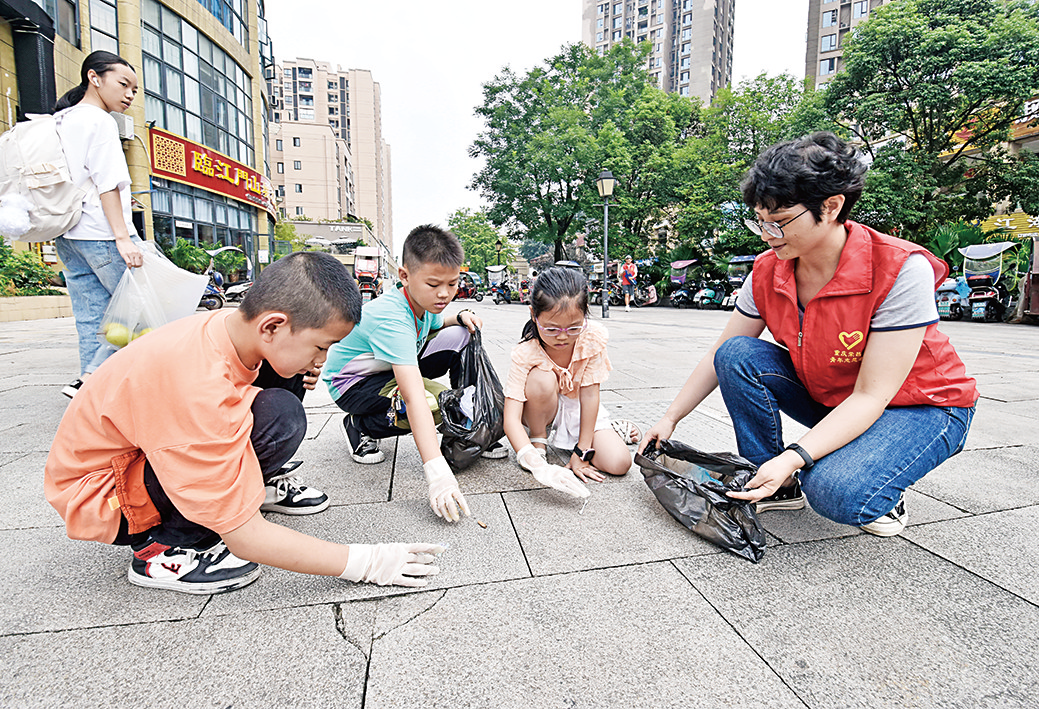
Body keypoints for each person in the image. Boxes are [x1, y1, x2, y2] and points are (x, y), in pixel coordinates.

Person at [641, 132, 978, 537]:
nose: (767, 235)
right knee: (736, 354)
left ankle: (883, 480)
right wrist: (670, 418)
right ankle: (775, 484)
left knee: (836, 493)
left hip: (921, 406)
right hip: (836, 397)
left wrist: (797, 455)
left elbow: (874, 394)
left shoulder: (899, 269)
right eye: (759, 221)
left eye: (780, 223)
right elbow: (721, 353)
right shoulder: (768, 270)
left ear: (832, 206)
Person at [45, 252, 444, 594]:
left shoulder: (232, 328)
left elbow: (275, 369)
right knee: (278, 415)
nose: (323, 360)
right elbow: (246, 537)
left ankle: (251, 486)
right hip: (106, 498)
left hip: (143, 457)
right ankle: (166, 550)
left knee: (284, 377)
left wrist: (300, 360)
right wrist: (367, 562)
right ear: (272, 325)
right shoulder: (196, 384)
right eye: (321, 347)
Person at [324, 224, 506, 524]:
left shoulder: (425, 303)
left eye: (452, 283)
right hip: (355, 386)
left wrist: (459, 317)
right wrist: (437, 473)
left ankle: (471, 426)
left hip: (390, 367)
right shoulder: (391, 318)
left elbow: (435, 326)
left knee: (463, 333)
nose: (445, 294)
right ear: (404, 276)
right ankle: (361, 426)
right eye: (434, 284)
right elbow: (413, 396)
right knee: (432, 406)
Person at [52, 51, 145, 399]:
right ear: (94, 78)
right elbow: (108, 182)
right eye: (123, 84)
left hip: (68, 233)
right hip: (102, 231)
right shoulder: (100, 121)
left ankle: (89, 388)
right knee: (144, 307)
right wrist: (123, 237)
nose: (130, 95)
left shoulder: (61, 119)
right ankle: (92, 378)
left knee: (91, 314)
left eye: (134, 89)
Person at [502, 268, 634, 497]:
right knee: (542, 378)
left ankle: (615, 429)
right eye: (551, 329)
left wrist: (582, 452)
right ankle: (538, 440)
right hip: (540, 405)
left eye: (573, 327)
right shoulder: (525, 352)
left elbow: (590, 395)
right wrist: (530, 458)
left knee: (619, 463)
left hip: (578, 406)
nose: (562, 337)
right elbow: (510, 418)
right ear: (533, 314)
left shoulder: (591, 339)